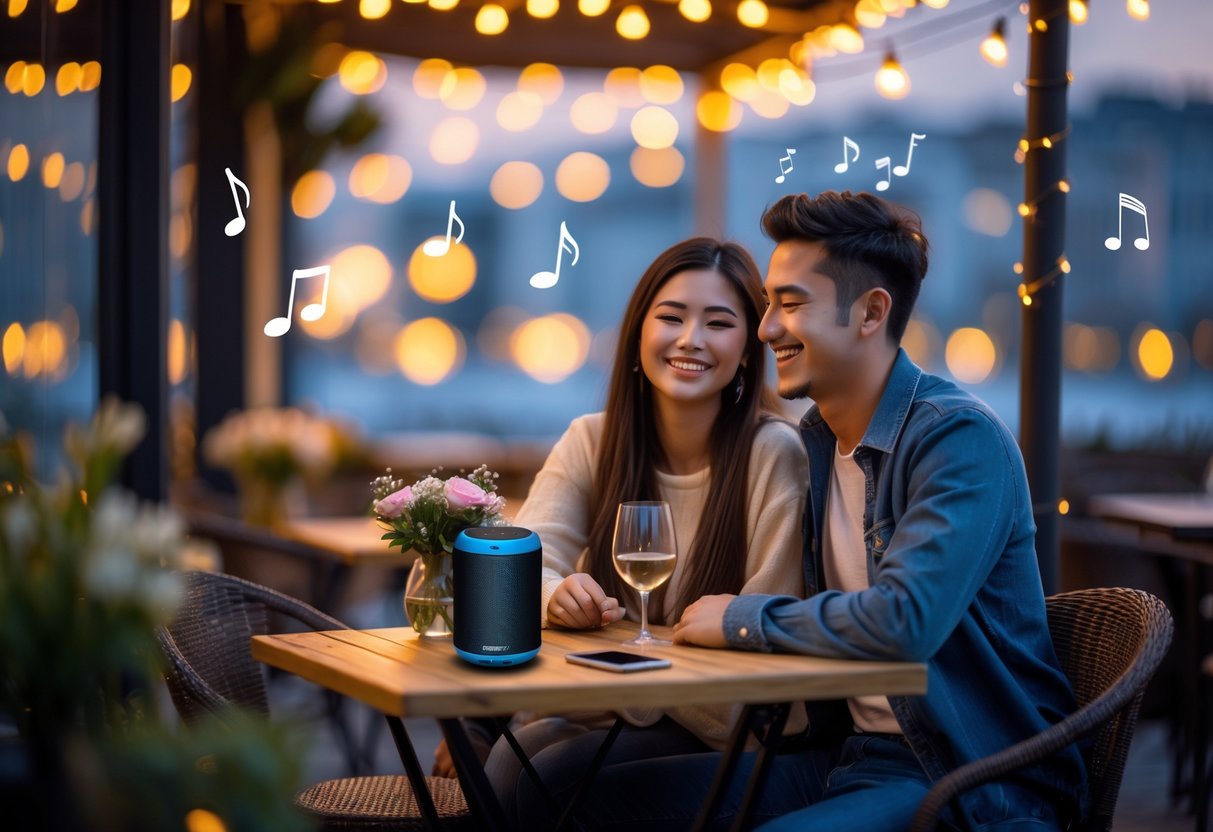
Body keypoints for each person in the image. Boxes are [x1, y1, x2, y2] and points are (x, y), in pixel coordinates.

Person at [522, 192, 1088, 831]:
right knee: (566, 790)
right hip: (843, 754)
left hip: (967, 773)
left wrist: (741, 618)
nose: (765, 329)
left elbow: (907, 620)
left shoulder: (956, 440)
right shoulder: (815, 443)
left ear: (871, 312)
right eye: (767, 304)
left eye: (789, 305)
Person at [435, 237, 810, 826]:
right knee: (511, 761)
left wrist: (611, 686)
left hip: (723, 731)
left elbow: (762, 653)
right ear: (638, 333)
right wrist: (553, 595)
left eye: (718, 323)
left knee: (540, 773)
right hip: (615, 710)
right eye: (671, 317)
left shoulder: (775, 454)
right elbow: (508, 571)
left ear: (747, 351)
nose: (691, 339)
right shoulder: (593, 439)